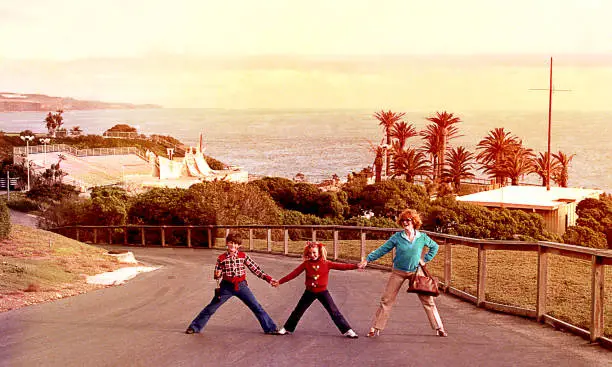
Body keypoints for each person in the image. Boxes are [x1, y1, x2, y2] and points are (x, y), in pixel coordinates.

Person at [359, 208, 448, 338]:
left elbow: (435, 246)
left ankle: (439, 328)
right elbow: (382, 249)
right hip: (398, 272)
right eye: (403, 220)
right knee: (386, 300)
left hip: (416, 272)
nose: (406, 223)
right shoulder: (397, 237)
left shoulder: (422, 237)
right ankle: (375, 328)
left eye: (408, 220)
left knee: (428, 301)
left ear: (414, 222)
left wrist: (425, 259)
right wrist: (368, 259)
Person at [185, 233, 280, 335]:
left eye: (235, 244)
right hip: (226, 287)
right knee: (211, 308)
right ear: (227, 243)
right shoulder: (221, 258)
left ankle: (270, 328)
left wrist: (269, 279)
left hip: (241, 286)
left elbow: (256, 270)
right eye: (231, 243)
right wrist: (217, 274)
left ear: (239, 245)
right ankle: (194, 327)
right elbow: (217, 274)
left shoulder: (243, 256)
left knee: (256, 306)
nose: (233, 246)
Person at [272, 241, 364, 338]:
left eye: (314, 252)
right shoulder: (306, 264)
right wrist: (280, 282)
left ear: (319, 252)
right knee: (298, 311)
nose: (312, 255)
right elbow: (294, 274)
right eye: (310, 253)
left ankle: (347, 330)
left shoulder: (327, 263)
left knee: (334, 311)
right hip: (309, 292)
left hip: (323, 292)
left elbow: (342, 266)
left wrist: (356, 266)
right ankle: (287, 328)